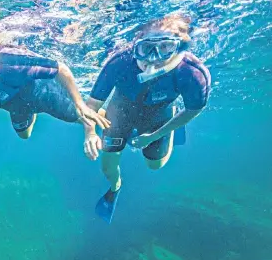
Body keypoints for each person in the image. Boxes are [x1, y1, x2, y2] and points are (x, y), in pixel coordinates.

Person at [82, 14, 211, 224]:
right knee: (107, 168)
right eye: (146, 49)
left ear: (180, 48)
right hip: (119, 111)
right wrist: (89, 133)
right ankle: (116, 188)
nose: (153, 58)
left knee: (154, 165)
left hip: (159, 118)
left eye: (165, 48)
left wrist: (155, 135)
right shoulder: (119, 62)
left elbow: (192, 110)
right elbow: (92, 105)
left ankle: (172, 129)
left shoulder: (192, 73)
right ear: (136, 45)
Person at [0, 1, 110, 152]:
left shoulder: (10, 64)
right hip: (17, 107)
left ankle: (123, 126)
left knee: (88, 117)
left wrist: (79, 103)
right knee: (24, 136)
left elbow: (61, 69)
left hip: (45, 97)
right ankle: (33, 114)